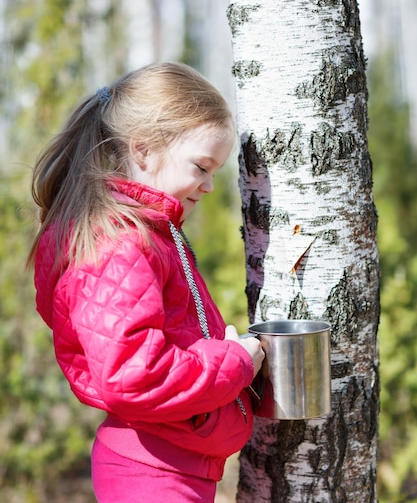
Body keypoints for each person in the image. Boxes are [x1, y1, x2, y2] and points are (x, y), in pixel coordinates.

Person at [28, 62, 264, 503]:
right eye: (201, 166)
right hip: (153, 474)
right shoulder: (119, 243)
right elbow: (133, 375)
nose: (209, 186)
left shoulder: (148, 231)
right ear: (143, 150)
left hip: (170, 465)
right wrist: (233, 365)